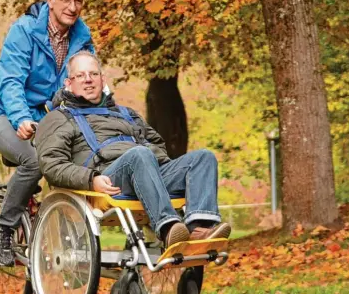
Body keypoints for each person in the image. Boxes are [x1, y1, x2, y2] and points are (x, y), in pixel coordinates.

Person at [35, 51, 231, 248]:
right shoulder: (58, 119)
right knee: (139, 154)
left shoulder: (127, 114)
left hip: (148, 171)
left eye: (93, 74)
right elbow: (52, 166)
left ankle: (199, 228)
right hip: (108, 177)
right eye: (81, 75)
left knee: (203, 158)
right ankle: (168, 228)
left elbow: (157, 144)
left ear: (102, 80)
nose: (88, 80)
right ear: (69, 83)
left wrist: (157, 168)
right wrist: (90, 179)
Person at [0, 0, 94, 266]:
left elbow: (86, 80)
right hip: (1, 113)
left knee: (79, 161)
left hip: (47, 120)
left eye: (78, 0)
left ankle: (72, 244)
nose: (72, 6)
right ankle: (3, 230)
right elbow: (11, 81)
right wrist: (20, 118)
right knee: (35, 160)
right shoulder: (25, 30)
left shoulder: (81, 37)